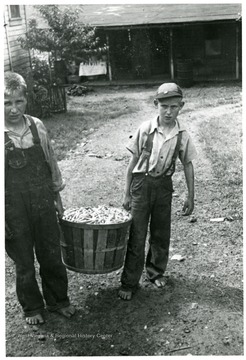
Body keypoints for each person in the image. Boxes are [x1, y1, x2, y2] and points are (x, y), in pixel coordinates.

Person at [4, 72, 75, 324]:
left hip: (43, 199)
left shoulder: (37, 126)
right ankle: (32, 307)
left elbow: (51, 162)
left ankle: (58, 301)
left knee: (50, 253)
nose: (13, 109)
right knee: (23, 259)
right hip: (12, 208)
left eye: (18, 101)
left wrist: (57, 199)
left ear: (26, 100)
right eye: (6, 102)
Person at [119, 82, 197, 300]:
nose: (169, 112)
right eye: (164, 107)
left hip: (163, 186)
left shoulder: (182, 134)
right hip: (141, 185)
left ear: (181, 106)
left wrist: (191, 196)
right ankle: (129, 282)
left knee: (161, 233)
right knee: (137, 234)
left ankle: (155, 272)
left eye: (174, 106)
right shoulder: (145, 129)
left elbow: (188, 164)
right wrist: (126, 194)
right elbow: (132, 162)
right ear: (156, 105)